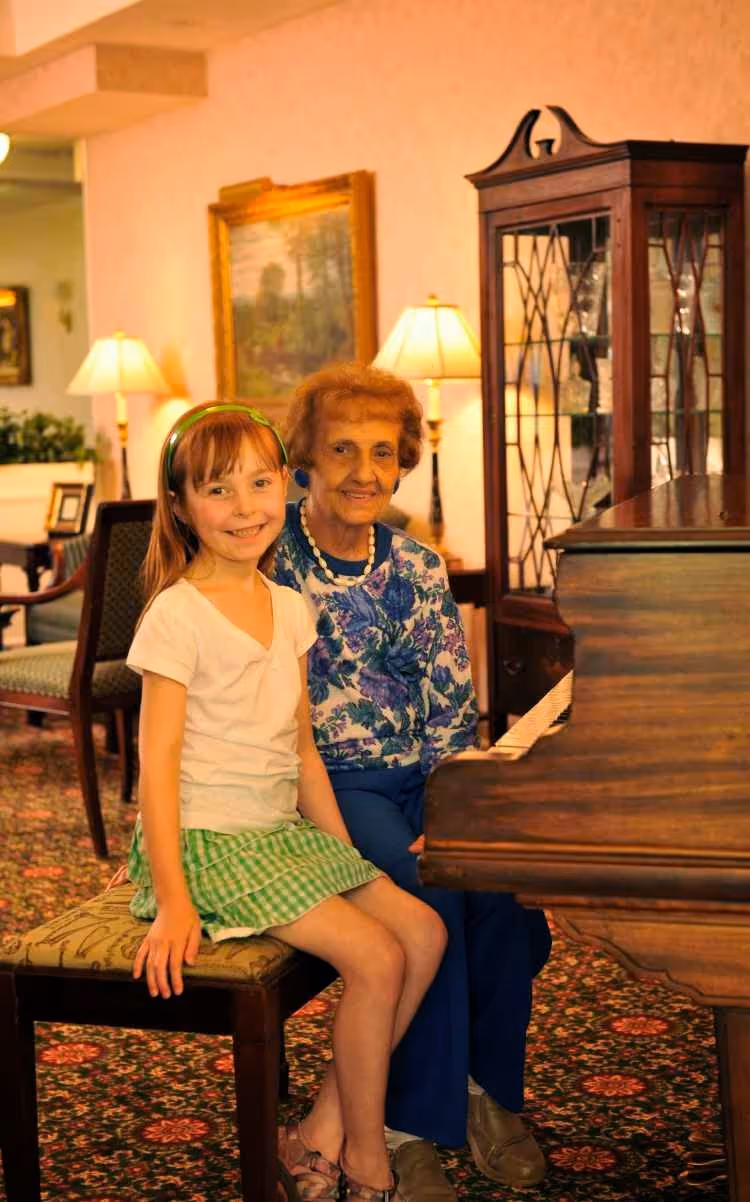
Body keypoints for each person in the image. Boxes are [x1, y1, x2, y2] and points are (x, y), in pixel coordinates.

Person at [126, 400, 447, 1202]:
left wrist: (343, 859)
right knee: (376, 958)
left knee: (423, 931)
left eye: (260, 484)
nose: (246, 509)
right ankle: (367, 1158)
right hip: (212, 842)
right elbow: (154, 764)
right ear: (181, 507)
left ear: (286, 483)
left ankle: (321, 1127)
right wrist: (171, 900)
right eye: (219, 491)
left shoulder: (290, 606)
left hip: (281, 833)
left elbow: (302, 747)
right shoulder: (177, 614)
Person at [273, 363, 553, 1202]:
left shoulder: (420, 566)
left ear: (404, 464)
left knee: (501, 885)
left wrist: (454, 802)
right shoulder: (272, 560)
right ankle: (406, 1122)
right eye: (343, 449)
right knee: (423, 894)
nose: (365, 471)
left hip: (421, 773)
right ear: (304, 462)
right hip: (331, 783)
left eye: (384, 453)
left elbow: (448, 702)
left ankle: (487, 1093)